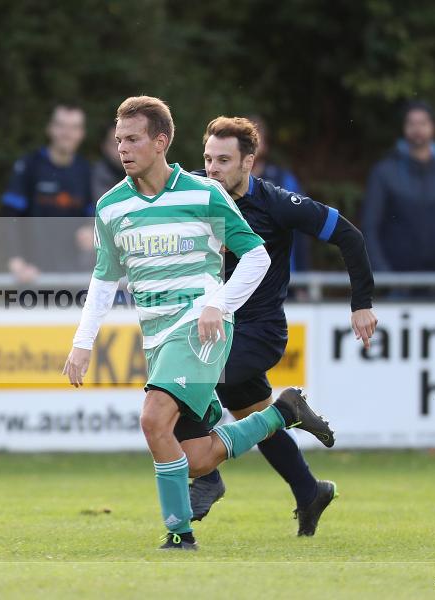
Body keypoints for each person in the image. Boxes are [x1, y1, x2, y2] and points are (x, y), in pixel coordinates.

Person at [62, 97, 335, 550]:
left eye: (133, 139)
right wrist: (82, 342)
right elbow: (104, 278)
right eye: (118, 141)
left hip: (201, 329)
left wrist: (220, 305)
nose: (123, 149)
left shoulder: (204, 194)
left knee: (153, 420)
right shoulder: (110, 207)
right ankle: (284, 411)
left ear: (161, 141)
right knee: (196, 458)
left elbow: (256, 256)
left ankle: (179, 534)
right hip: (158, 336)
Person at [188, 116, 377, 536]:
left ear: (248, 163)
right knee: (258, 417)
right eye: (207, 159)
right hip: (216, 329)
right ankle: (310, 490)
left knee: (193, 379)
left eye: (223, 160)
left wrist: (361, 303)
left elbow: (349, 236)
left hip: (259, 332)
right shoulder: (195, 190)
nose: (212, 168)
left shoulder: (276, 204)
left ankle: (206, 476)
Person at [362, 101, 435, 273]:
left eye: (423, 123)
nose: (417, 129)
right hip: (397, 287)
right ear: (404, 127)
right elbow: (369, 228)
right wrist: (385, 276)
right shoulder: (384, 173)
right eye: (411, 123)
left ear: (433, 127)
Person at [2, 105, 93, 281]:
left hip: (73, 276)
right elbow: (9, 218)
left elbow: (91, 217)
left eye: (74, 128)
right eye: (61, 126)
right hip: (31, 274)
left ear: (82, 133)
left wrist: (90, 230)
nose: (67, 133)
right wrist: (16, 261)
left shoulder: (85, 170)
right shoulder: (30, 166)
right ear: (50, 128)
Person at [249, 115, 310, 272]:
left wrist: (302, 277)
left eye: (255, 138)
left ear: (265, 144)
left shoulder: (283, 180)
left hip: (283, 279)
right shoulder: (222, 183)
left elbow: (302, 227)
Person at [90, 122, 126, 199]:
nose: (122, 149)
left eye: (128, 142)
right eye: (116, 143)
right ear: (104, 147)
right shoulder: (97, 176)